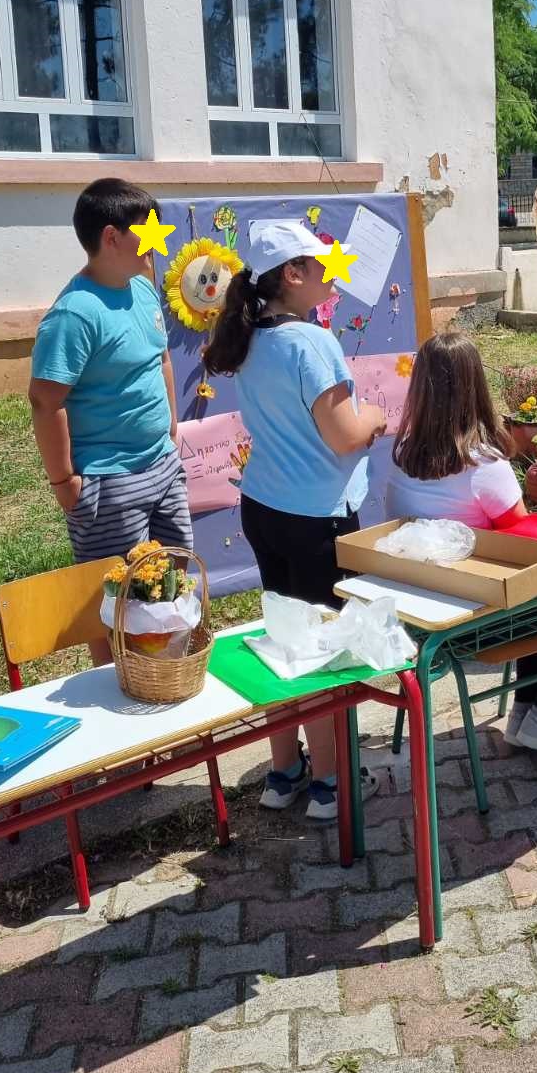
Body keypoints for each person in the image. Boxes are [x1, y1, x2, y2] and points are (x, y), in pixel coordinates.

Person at [202, 220, 386, 820]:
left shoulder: (252, 336)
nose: (329, 273)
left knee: (284, 635)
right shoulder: (311, 343)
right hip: (317, 517)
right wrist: (377, 417)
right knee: (327, 648)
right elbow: (343, 436)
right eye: (318, 262)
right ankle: (332, 784)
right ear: (293, 274)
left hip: (265, 507)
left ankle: (284, 773)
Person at [387, 332, 537, 757]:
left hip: (421, 612)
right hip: (477, 622)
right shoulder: (483, 461)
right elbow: (520, 538)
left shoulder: (402, 455)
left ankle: (525, 709)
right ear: (475, 388)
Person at [29, 178, 192, 665]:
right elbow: (44, 401)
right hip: (109, 481)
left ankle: (168, 673)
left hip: (162, 466)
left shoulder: (142, 290)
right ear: (112, 237)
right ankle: (122, 686)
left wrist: (171, 424)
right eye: (149, 230)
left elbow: (161, 358)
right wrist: (64, 481)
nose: (158, 241)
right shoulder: (75, 315)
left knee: (176, 580)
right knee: (118, 598)